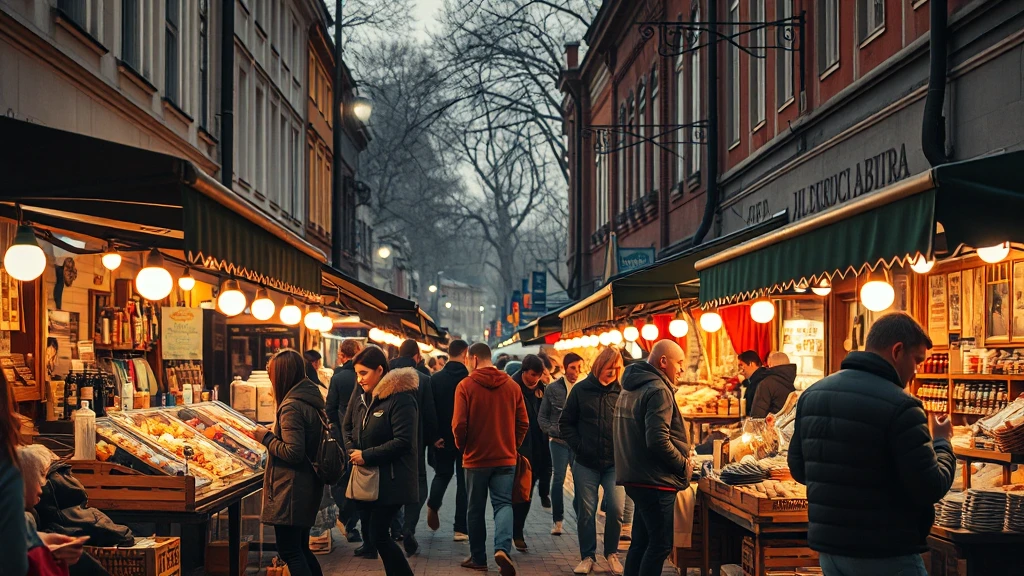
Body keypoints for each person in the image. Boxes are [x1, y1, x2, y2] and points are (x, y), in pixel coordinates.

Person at [788, 312, 955, 576]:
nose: (916, 371)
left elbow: (799, 469)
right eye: (917, 361)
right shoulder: (903, 406)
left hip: (831, 551)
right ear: (897, 351)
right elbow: (929, 486)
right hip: (885, 552)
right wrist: (943, 442)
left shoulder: (812, 395)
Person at [615, 340, 691, 576]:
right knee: (659, 545)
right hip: (656, 480)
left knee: (641, 542)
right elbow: (657, 440)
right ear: (663, 361)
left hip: (637, 476)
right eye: (679, 363)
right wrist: (682, 465)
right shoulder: (658, 390)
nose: (681, 369)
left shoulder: (632, 385)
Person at [453, 343, 528, 576]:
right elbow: (523, 422)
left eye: (467, 360)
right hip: (506, 458)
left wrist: (463, 446)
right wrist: (512, 445)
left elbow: (458, 424)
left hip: (476, 459)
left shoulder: (465, 386)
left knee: (474, 509)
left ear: (474, 359)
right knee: (503, 504)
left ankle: (478, 558)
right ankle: (502, 549)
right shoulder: (512, 386)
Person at [346, 346, 420, 576]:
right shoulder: (366, 399)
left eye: (363, 373)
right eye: (357, 374)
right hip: (372, 479)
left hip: (393, 480)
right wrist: (351, 448)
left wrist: (366, 455)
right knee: (377, 535)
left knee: (379, 535)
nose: (359, 379)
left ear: (380, 370)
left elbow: (403, 441)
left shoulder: (401, 399)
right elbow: (349, 427)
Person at [255, 350, 327, 576]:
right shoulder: (308, 399)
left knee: (290, 551)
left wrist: (265, 438)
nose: (270, 379)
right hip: (304, 486)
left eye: (272, 374)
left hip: (291, 489)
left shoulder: (291, 406)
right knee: (300, 548)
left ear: (283, 376)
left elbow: (294, 451)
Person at [559, 347, 625, 576]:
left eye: (617, 368)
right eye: (610, 368)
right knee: (586, 511)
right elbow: (565, 423)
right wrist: (579, 447)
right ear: (599, 366)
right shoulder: (580, 390)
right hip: (585, 463)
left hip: (614, 464)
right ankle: (587, 556)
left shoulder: (623, 393)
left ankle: (611, 554)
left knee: (616, 509)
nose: (614, 372)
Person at [389, 339, 440, 556]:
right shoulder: (423, 379)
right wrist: (434, 438)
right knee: (418, 485)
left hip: (386, 439)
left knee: (388, 484)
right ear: (417, 357)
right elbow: (429, 413)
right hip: (414, 442)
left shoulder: (385, 373)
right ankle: (408, 528)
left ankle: (393, 527)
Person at [426, 339, 471, 541]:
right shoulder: (470, 380)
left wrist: (433, 437)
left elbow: (430, 410)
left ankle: (433, 504)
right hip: (467, 439)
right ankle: (460, 528)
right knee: (464, 483)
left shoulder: (435, 380)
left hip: (442, 438)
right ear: (465, 353)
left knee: (442, 474)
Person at [510, 355, 551, 553]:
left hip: (540, 447)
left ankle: (517, 530)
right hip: (520, 449)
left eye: (538, 375)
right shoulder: (511, 387)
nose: (535, 379)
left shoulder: (543, 388)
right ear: (524, 371)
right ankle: (515, 531)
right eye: (532, 375)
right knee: (519, 493)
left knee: (527, 492)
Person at [538, 352, 582, 536]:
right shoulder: (553, 388)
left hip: (578, 443)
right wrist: (552, 431)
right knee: (558, 479)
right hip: (558, 442)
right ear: (565, 368)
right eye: (573, 367)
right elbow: (542, 416)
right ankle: (558, 520)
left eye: (579, 367)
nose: (576, 372)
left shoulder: (583, 388)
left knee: (581, 481)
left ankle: (581, 517)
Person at [326, 339, 364, 543]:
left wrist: (336, 428)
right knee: (362, 480)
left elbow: (330, 408)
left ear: (342, 354)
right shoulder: (365, 376)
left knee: (344, 480)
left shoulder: (338, 377)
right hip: (366, 437)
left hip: (343, 437)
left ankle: (347, 521)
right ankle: (352, 523)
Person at [749, 352, 797, 418]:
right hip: (789, 426)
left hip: (771, 426)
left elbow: (757, 416)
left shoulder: (766, 384)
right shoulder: (794, 381)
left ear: (770, 365)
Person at [736, 350, 769, 416]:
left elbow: (751, 405)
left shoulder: (760, 380)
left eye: (741, 365)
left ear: (751, 363)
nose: (741, 370)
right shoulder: (756, 378)